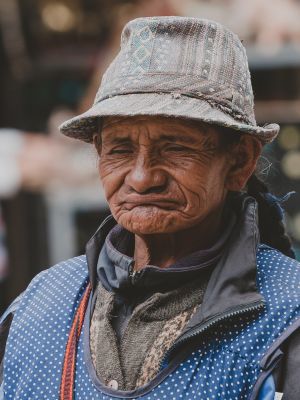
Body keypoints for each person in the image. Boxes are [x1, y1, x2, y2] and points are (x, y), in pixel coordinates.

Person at [1, 16, 300, 400]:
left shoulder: (286, 319)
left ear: (240, 160)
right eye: (120, 149)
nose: (142, 178)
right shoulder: (39, 307)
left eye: (175, 147)